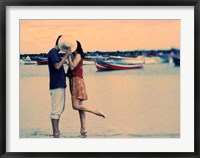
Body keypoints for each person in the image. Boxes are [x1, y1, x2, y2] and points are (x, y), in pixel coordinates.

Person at [66, 40, 105, 137]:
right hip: (78, 81)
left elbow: (72, 67)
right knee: (81, 108)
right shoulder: (77, 56)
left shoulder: (78, 55)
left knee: (75, 106)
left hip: (76, 81)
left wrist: (68, 57)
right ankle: (83, 129)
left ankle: (95, 110)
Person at [47, 35, 70, 138]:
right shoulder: (52, 52)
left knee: (60, 108)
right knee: (56, 109)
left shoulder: (56, 53)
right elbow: (57, 66)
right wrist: (65, 56)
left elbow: (59, 67)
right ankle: (55, 132)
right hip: (56, 85)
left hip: (59, 84)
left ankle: (56, 132)